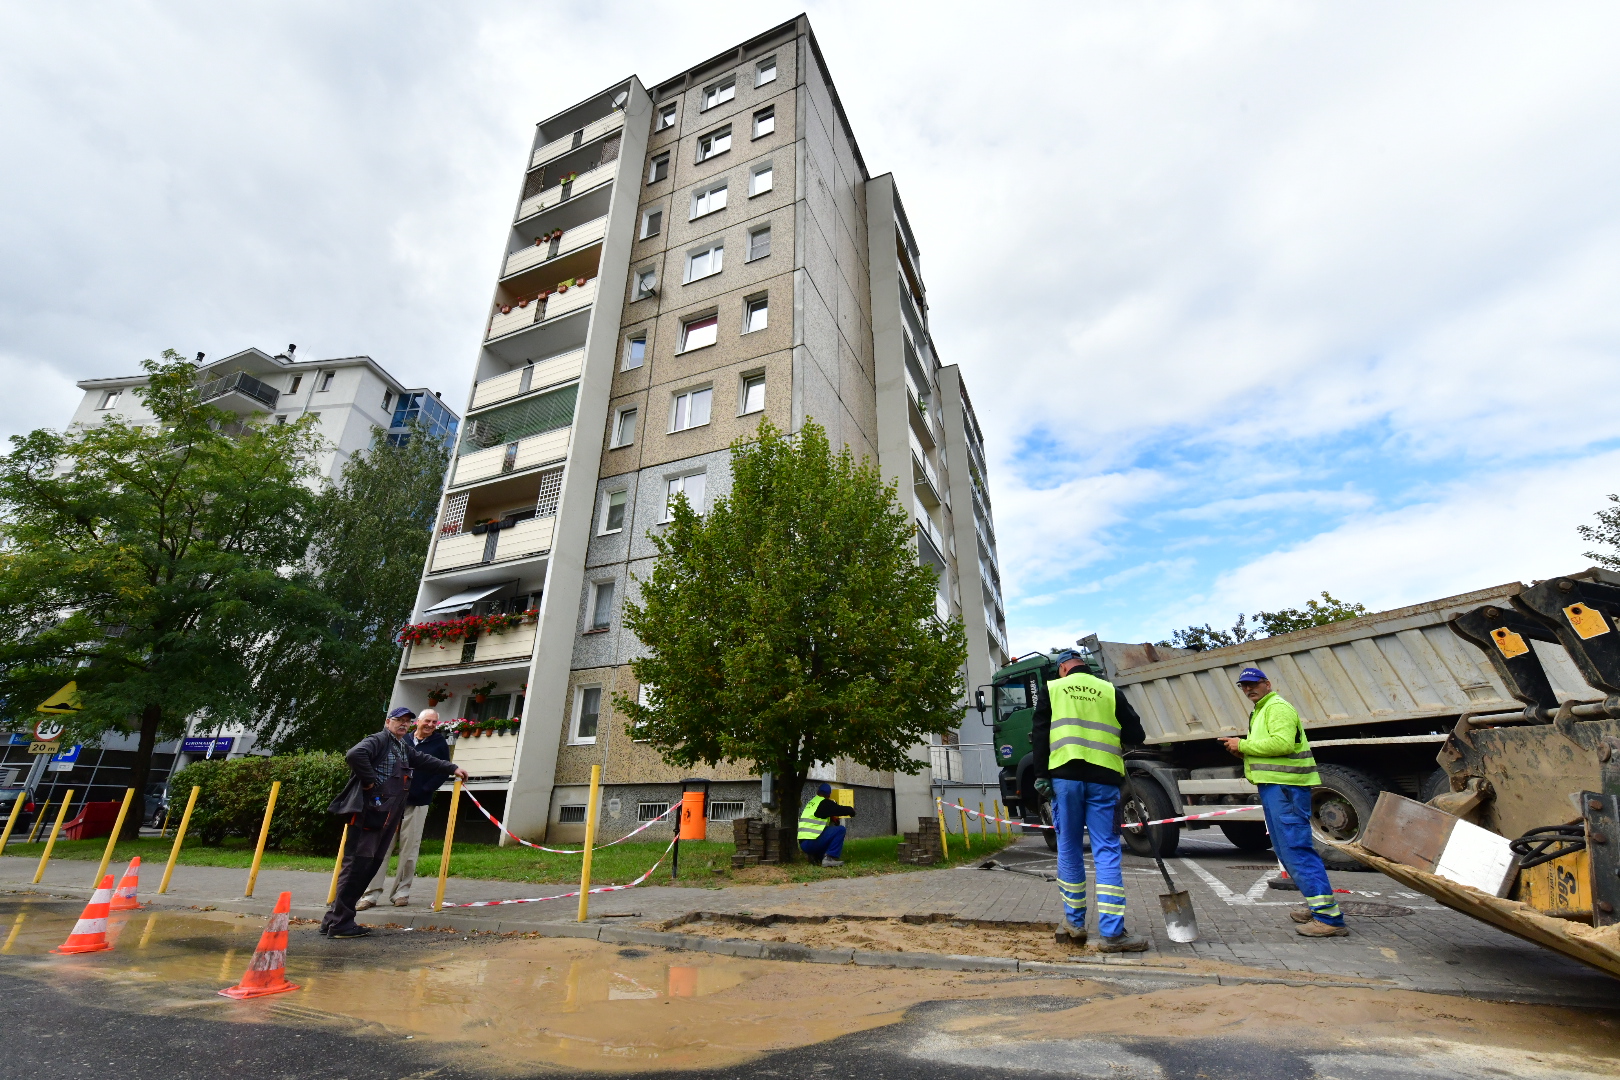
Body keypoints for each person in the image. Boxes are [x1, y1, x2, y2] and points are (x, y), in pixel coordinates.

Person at [1031, 648, 1149, 952]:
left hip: (1065, 780)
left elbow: (1040, 734)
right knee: (1107, 851)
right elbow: (1137, 733)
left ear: (1062, 670)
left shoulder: (1053, 689)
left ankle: (1075, 924)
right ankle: (1112, 934)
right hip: (1105, 781)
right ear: (1085, 666)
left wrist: (1042, 775)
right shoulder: (1109, 690)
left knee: (1068, 847)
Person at [1219, 667, 1347, 938]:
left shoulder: (1277, 707)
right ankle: (1318, 907)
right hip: (1277, 788)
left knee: (1296, 848)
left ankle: (1329, 919)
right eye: (1243, 686)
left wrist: (1241, 746)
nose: (1248, 689)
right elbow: (1270, 750)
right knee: (1287, 850)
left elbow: (1283, 744)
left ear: (1267, 684)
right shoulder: (1261, 710)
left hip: (1286, 789)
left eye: (1253, 684)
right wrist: (1240, 751)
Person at [322, 707, 466, 939]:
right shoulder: (378, 740)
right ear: (388, 721)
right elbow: (354, 755)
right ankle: (339, 923)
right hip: (370, 813)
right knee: (358, 866)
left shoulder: (400, 745)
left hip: (386, 814)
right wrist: (369, 782)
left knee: (368, 865)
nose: (403, 724)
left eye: (407, 722)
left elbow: (422, 758)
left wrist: (452, 767)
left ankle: (333, 920)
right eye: (399, 720)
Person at [359, 708, 451, 910]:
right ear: (417, 721)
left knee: (410, 848)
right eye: (427, 721)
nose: (430, 725)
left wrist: (426, 788)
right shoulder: (402, 740)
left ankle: (402, 892)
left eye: (435, 723)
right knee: (382, 845)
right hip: (391, 800)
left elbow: (443, 768)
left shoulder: (439, 743)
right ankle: (371, 894)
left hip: (418, 801)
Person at [797, 783, 856, 867]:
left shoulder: (812, 802)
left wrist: (831, 818)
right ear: (829, 795)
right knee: (840, 830)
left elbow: (817, 815)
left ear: (817, 792)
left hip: (803, 843)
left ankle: (816, 857)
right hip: (811, 841)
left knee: (827, 832)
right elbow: (839, 809)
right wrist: (851, 810)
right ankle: (829, 858)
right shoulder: (824, 803)